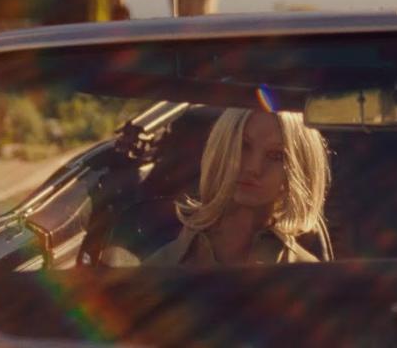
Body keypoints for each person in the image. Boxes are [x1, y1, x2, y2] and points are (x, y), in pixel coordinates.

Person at [141, 107, 332, 266]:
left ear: (298, 170)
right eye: (243, 146)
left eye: (276, 156)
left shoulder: (308, 277)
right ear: (221, 147)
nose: (253, 168)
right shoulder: (159, 269)